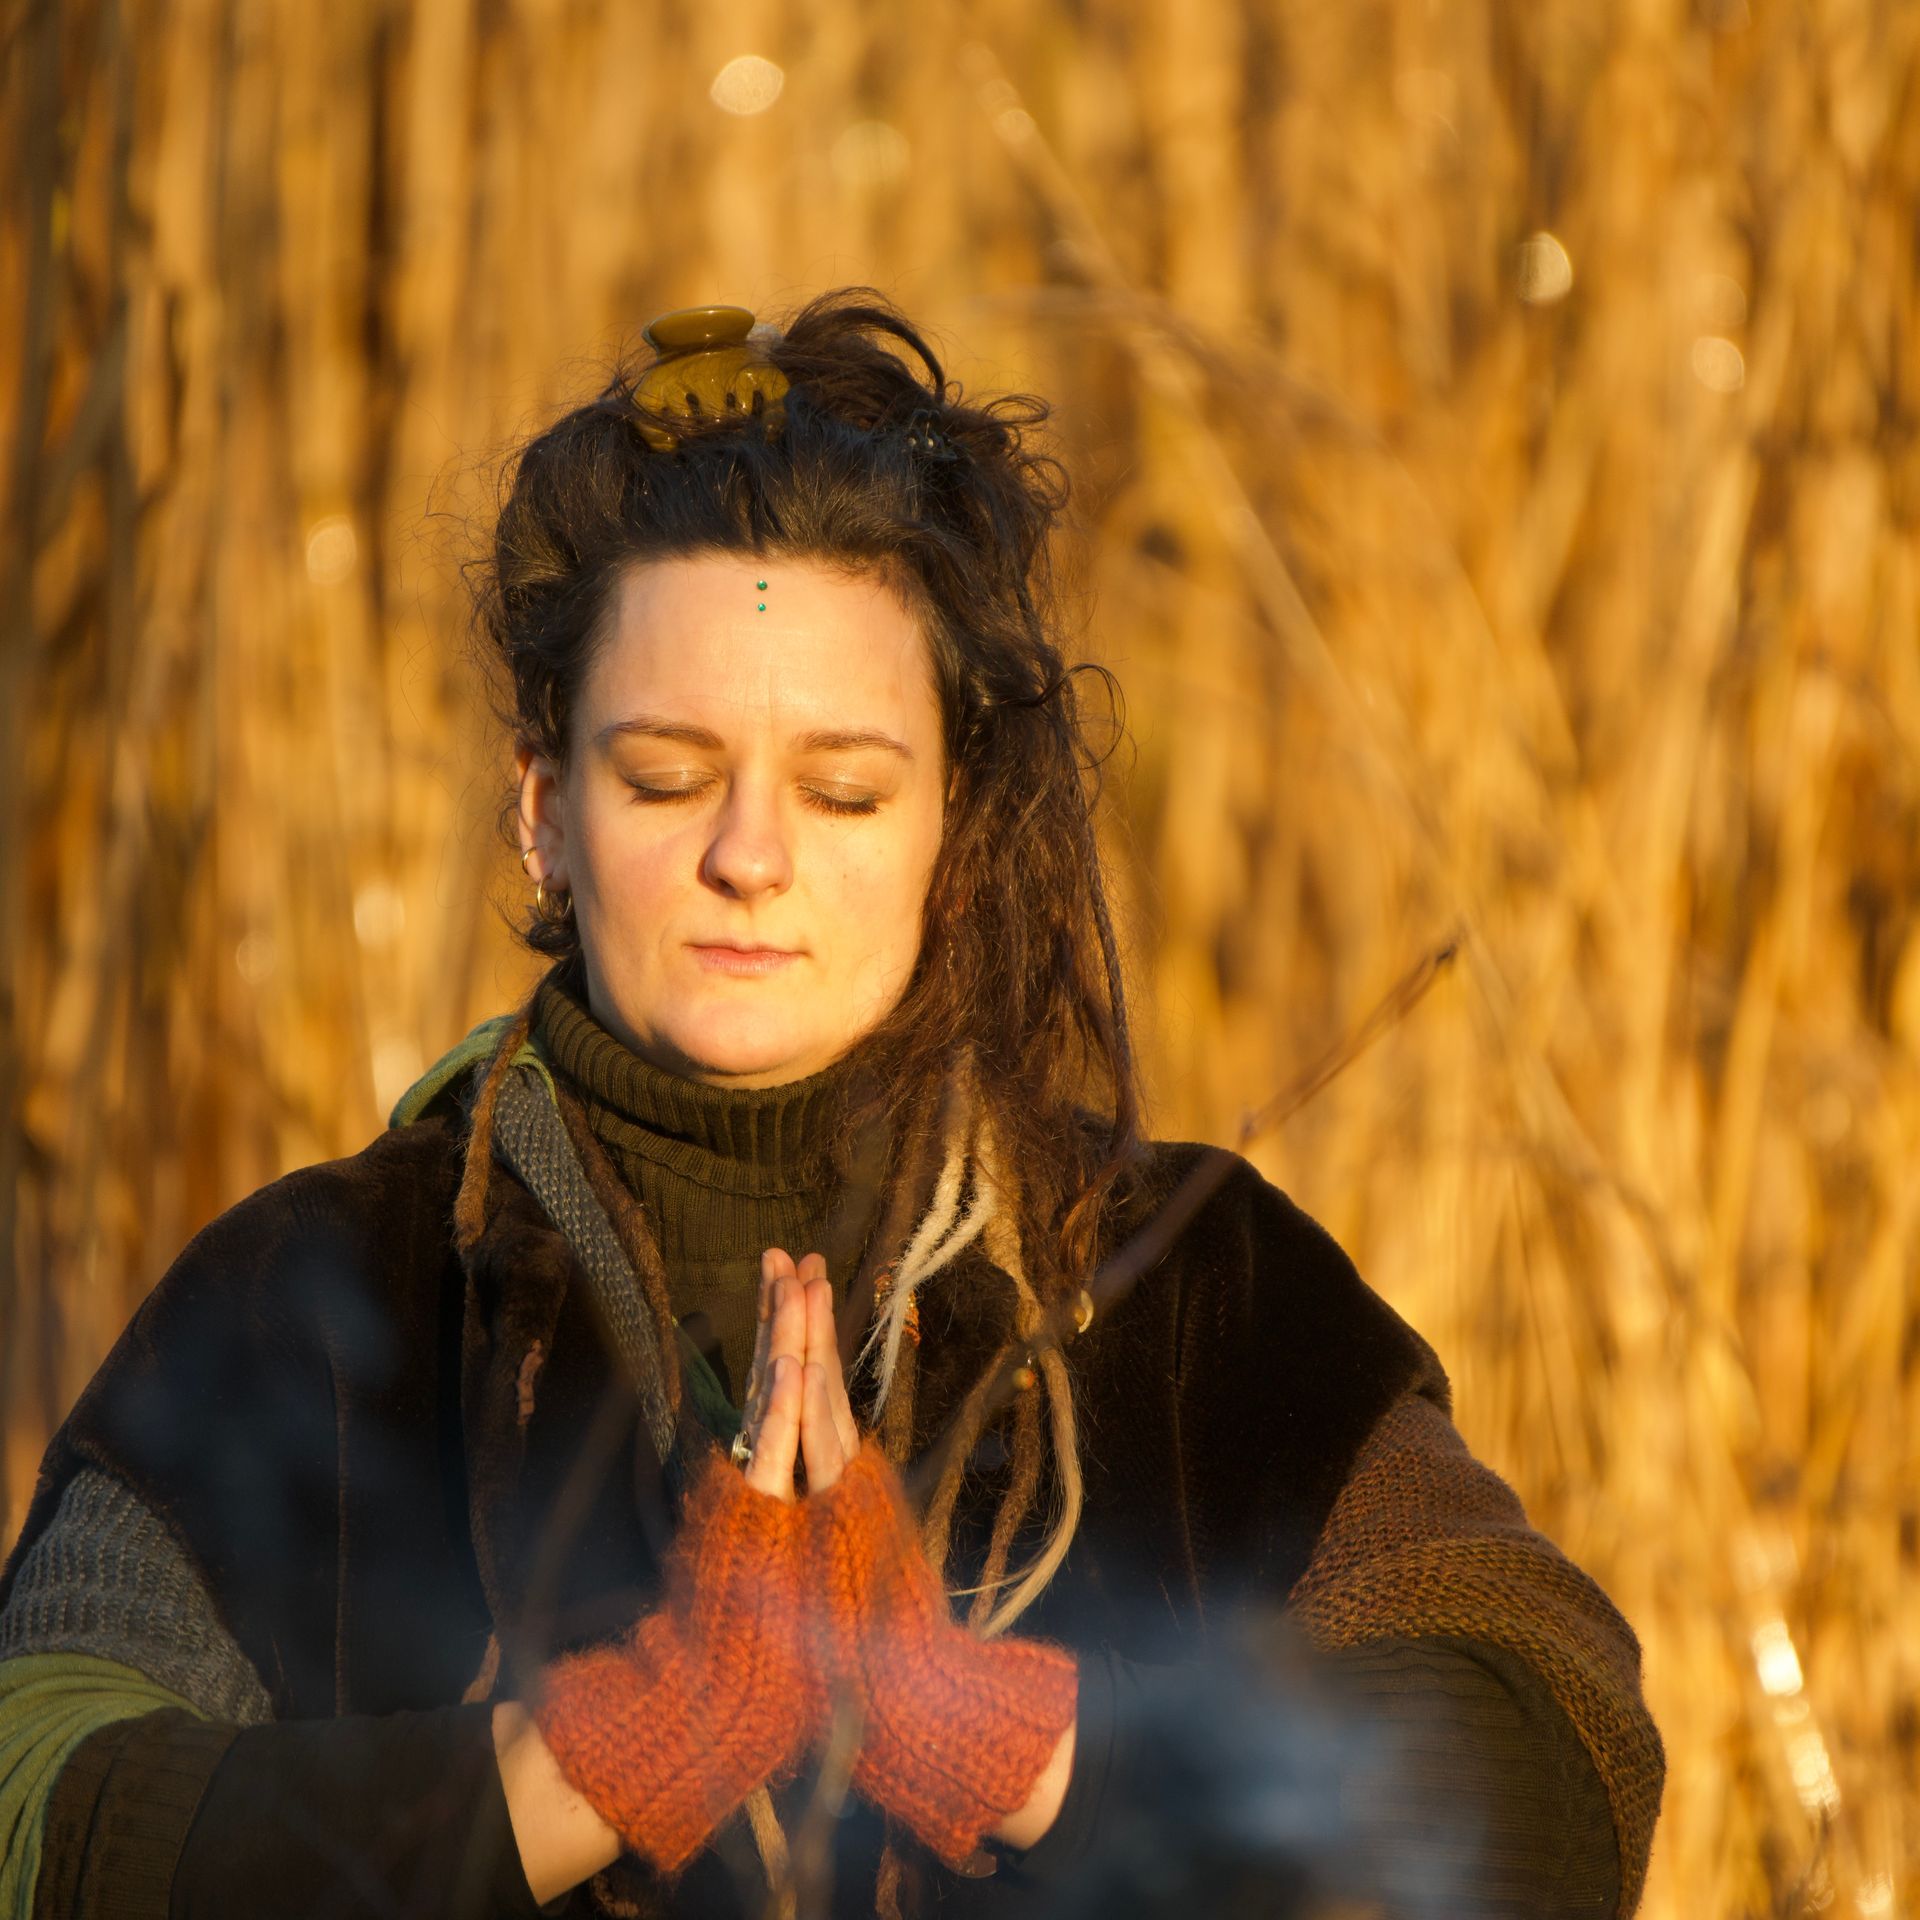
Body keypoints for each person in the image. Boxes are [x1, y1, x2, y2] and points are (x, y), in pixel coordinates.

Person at [0, 291, 1664, 1920]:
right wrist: (604, 1757)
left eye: (845, 791)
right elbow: (34, 1809)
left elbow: (1557, 1788)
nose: (751, 855)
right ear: (544, 811)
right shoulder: (315, 1304)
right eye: (665, 776)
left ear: (954, 826)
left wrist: (994, 1732)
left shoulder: (1191, 1288)